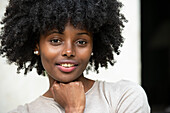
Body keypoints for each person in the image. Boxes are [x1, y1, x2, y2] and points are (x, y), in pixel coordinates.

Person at [0, 0, 150, 113]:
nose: (69, 51)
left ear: (93, 45)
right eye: (55, 40)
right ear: (36, 45)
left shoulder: (124, 97)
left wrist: (74, 108)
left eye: (81, 41)